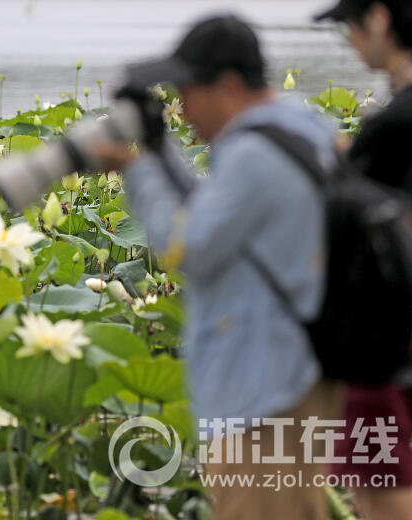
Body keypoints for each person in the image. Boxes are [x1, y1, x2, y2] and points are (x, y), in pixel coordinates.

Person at [93, 15, 342, 519]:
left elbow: (190, 246)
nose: (183, 111)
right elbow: (217, 214)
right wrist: (161, 152)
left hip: (262, 387)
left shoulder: (252, 153)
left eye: (188, 93)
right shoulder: (300, 125)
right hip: (299, 370)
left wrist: (138, 173)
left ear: (227, 86)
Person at [315, 1, 412, 518]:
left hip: (383, 346)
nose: (350, 43)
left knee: (381, 493)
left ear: (379, 19)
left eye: (348, 28)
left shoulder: (394, 127)